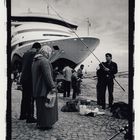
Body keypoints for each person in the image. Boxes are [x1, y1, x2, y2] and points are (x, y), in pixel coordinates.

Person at [32, 45, 58, 130]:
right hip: (44, 89)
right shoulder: (44, 61)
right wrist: (52, 87)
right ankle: (46, 124)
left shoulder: (35, 61)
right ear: (46, 52)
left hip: (37, 88)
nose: (50, 55)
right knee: (47, 106)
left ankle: (40, 122)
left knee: (40, 107)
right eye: (50, 53)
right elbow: (48, 76)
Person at [19, 42, 41, 123]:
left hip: (23, 79)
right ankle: (30, 116)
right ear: (38, 48)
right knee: (31, 98)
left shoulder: (25, 54)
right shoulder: (34, 54)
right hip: (30, 79)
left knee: (24, 97)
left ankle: (22, 115)